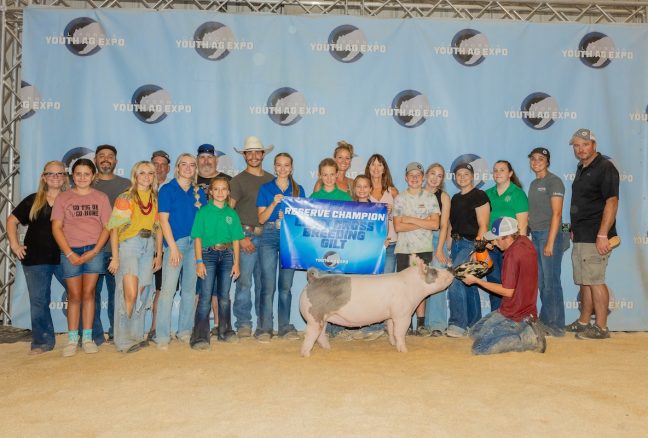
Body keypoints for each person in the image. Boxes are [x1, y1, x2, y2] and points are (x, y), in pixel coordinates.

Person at [8, 161, 69, 354]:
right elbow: (11, 221)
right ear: (43, 177)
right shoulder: (33, 200)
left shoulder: (71, 200)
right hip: (35, 259)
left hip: (65, 257)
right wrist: (14, 245)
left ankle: (84, 337)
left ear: (65, 177)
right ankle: (42, 342)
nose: (56, 177)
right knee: (39, 301)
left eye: (60, 173)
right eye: (51, 174)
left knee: (79, 295)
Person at [51, 159, 111, 357]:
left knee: (89, 294)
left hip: (94, 251)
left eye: (87, 174)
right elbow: (56, 227)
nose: (82, 178)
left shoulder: (101, 197)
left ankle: (87, 337)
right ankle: (71, 339)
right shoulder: (63, 198)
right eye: (78, 174)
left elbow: (107, 227)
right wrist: (69, 253)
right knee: (74, 296)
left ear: (93, 176)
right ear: (72, 175)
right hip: (70, 251)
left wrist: (94, 251)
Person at [462, 217, 545, 355]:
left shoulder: (511, 255)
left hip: (515, 315)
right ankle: (527, 327)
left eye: (496, 239)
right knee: (475, 333)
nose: (493, 243)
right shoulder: (524, 241)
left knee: (479, 348)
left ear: (506, 237)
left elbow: (507, 292)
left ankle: (529, 340)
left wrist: (477, 281)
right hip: (517, 310)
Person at [567, 128, 619, 340]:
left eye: (585, 145)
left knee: (596, 280)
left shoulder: (605, 167)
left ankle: (601, 327)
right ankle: (583, 321)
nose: (580, 149)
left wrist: (602, 234)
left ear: (594, 145)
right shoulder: (582, 167)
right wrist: (571, 228)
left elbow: (612, 201)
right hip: (581, 235)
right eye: (577, 146)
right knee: (585, 281)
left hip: (596, 236)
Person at [106, 161, 163, 353]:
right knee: (128, 294)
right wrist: (115, 257)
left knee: (142, 292)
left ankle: (136, 336)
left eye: (150, 173)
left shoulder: (154, 199)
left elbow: (158, 227)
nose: (146, 176)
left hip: (149, 246)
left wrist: (158, 253)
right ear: (135, 176)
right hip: (129, 245)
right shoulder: (126, 197)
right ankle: (123, 341)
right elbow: (113, 229)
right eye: (142, 173)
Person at [155, 153, 207, 349]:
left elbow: (202, 222)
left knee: (189, 290)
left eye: (191, 165)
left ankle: (184, 330)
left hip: (195, 245)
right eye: (183, 164)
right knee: (167, 291)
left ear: (195, 169)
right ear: (176, 168)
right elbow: (163, 220)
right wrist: (173, 247)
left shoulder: (198, 192)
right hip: (175, 244)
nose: (187, 168)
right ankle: (161, 336)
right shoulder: (167, 189)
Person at [256, 153, 305, 342]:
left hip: (290, 237)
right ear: (275, 167)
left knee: (285, 285)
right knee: (267, 285)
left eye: (286, 165)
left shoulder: (298, 189)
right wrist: (274, 204)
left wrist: (290, 218)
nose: (283, 169)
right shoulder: (266, 188)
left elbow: (303, 218)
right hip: (268, 234)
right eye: (279, 165)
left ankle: (284, 326)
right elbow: (261, 218)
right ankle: (265, 327)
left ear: (291, 168)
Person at [190, 177, 243, 349]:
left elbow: (236, 240)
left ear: (228, 192)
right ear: (210, 192)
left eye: (224, 189)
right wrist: (199, 261)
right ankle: (199, 336)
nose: (220, 193)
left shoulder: (232, 214)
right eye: (216, 189)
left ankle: (225, 331)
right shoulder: (203, 212)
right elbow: (197, 238)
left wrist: (237, 263)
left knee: (224, 297)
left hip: (227, 256)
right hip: (208, 255)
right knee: (205, 296)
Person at [230, 136, 274, 338]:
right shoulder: (237, 181)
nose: (254, 156)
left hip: (267, 235)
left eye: (258, 152)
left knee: (264, 282)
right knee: (245, 282)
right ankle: (243, 323)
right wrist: (239, 237)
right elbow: (227, 213)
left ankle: (263, 326)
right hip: (245, 233)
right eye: (250, 152)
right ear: (245, 155)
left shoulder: (272, 180)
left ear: (263, 154)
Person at [393, 162, 440, 336]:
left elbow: (435, 224)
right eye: (411, 175)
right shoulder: (399, 198)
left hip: (423, 248)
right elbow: (398, 227)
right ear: (406, 178)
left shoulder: (430, 198)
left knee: (422, 286)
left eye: (418, 175)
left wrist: (409, 219)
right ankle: (407, 323)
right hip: (404, 249)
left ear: (423, 178)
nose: (414, 178)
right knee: (404, 288)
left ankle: (420, 324)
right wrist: (422, 222)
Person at [446, 163, 490, 338]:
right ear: (455, 178)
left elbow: (483, 226)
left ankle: (458, 323)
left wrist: (476, 250)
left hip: (470, 244)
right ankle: (475, 324)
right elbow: (452, 226)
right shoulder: (455, 198)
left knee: (455, 278)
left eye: (466, 174)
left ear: (472, 176)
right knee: (469, 283)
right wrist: (449, 248)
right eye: (459, 174)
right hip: (456, 244)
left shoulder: (480, 196)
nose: (462, 177)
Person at [93, 144, 131, 344]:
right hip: (93, 249)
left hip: (119, 248)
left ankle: (117, 333)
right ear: (95, 161)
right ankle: (95, 335)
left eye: (110, 156)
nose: (106, 159)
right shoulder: (86, 184)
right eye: (101, 156)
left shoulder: (127, 184)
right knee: (92, 295)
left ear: (116, 161)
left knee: (118, 295)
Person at [311, 158, 352, 339]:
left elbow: (354, 224)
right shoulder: (312, 199)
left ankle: (337, 327)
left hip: (339, 250)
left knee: (337, 288)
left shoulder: (345, 198)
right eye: (324, 175)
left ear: (337, 175)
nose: (328, 178)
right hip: (318, 250)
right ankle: (320, 328)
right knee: (321, 289)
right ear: (320, 176)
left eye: (331, 175)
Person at [528, 147, 566, 337]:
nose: (536, 161)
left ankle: (556, 325)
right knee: (542, 282)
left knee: (551, 282)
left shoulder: (554, 181)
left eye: (540, 158)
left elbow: (557, 214)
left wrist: (550, 242)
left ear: (548, 161)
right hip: (535, 235)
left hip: (549, 236)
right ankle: (546, 320)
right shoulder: (534, 183)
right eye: (533, 159)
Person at [195, 143, 232, 338]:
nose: (206, 161)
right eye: (202, 157)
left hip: (222, 246)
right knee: (200, 292)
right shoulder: (190, 179)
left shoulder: (227, 181)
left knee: (221, 293)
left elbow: (230, 214)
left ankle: (220, 326)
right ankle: (198, 331)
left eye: (210, 158)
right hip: (200, 244)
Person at [484, 160, 528, 312]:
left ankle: (512, 317)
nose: (498, 173)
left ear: (510, 173)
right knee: (494, 284)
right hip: (491, 246)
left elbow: (522, 226)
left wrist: (518, 250)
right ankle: (496, 319)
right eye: (495, 170)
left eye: (502, 170)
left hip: (511, 248)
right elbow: (483, 222)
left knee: (510, 284)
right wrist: (486, 242)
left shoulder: (518, 194)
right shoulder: (488, 194)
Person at [354, 174, 388, 342]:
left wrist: (384, 241)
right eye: (358, 186)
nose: (362, 189)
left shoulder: (378, 209)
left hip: (370, 257)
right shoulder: (346, 208)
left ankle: (374, 327)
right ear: (354, 189)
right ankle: (352, 326)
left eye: (365, 186)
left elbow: (381, 233)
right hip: (352, 257)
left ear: (370, 189)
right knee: (354, 293)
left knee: (372, 292)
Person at [424, 163, 452, 336]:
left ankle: (437, 324)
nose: (435, 177)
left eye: (439, 175)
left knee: (437, 281)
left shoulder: (444, 197)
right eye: (433, 173)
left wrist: (440, 249)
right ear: (426, 174)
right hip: (417, 240)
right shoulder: (415, 193)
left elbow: (444, 225)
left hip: (436, 240)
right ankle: (421, 323)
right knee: (419, 281)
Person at [148, 150, 171, 341]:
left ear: (169, 168)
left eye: (163, 164)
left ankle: (155, 328)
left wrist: (161, 250)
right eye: (155, 163)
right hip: (142, 244)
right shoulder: (139, 188)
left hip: (165, 246)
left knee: (161, 288)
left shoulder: (172, 188)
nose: (159, 167)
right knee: (137, 288)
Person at [366, 154, 399, 274]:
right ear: (368, 167)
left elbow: (401, 216)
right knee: (369, 281)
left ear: (384, 169)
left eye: (379, 165)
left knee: (387, 280)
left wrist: (393, 211)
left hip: (390, 243)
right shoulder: (363, 190)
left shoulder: (393, 191)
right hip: (370, 244)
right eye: (373, 164)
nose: (376, 168)